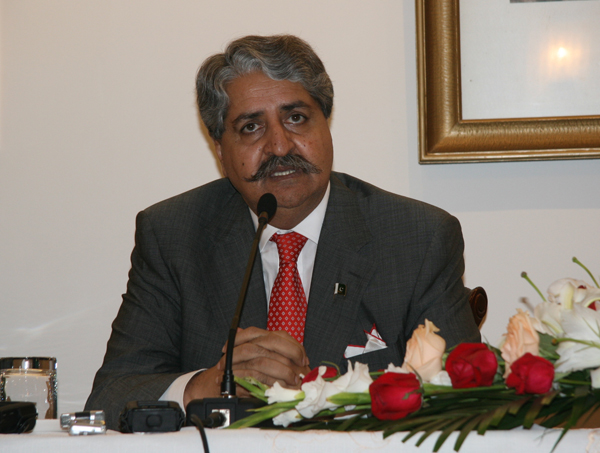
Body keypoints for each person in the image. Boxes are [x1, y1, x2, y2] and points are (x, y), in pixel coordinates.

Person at [85, 34, 480, 429]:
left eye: (296, 118)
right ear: (220, 151)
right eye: (251, 126)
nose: (278, 145)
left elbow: (464, 401)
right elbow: (111, 396)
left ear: (326, 124)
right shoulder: (173, 236)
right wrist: (203, 386)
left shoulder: (418, 238)